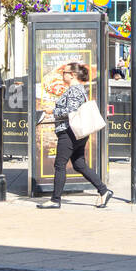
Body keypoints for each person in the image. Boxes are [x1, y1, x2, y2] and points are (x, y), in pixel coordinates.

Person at [36, 63, 114, 209]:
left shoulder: (74, 90)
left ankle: (55, 200)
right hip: (76, 132)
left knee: (59, 165)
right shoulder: (79, 90)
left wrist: (51, 111)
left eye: (64, 72)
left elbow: (71, 111)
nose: (62, 75)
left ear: (72, 74)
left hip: (69, 132)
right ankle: (103, 191)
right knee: (79, 164)